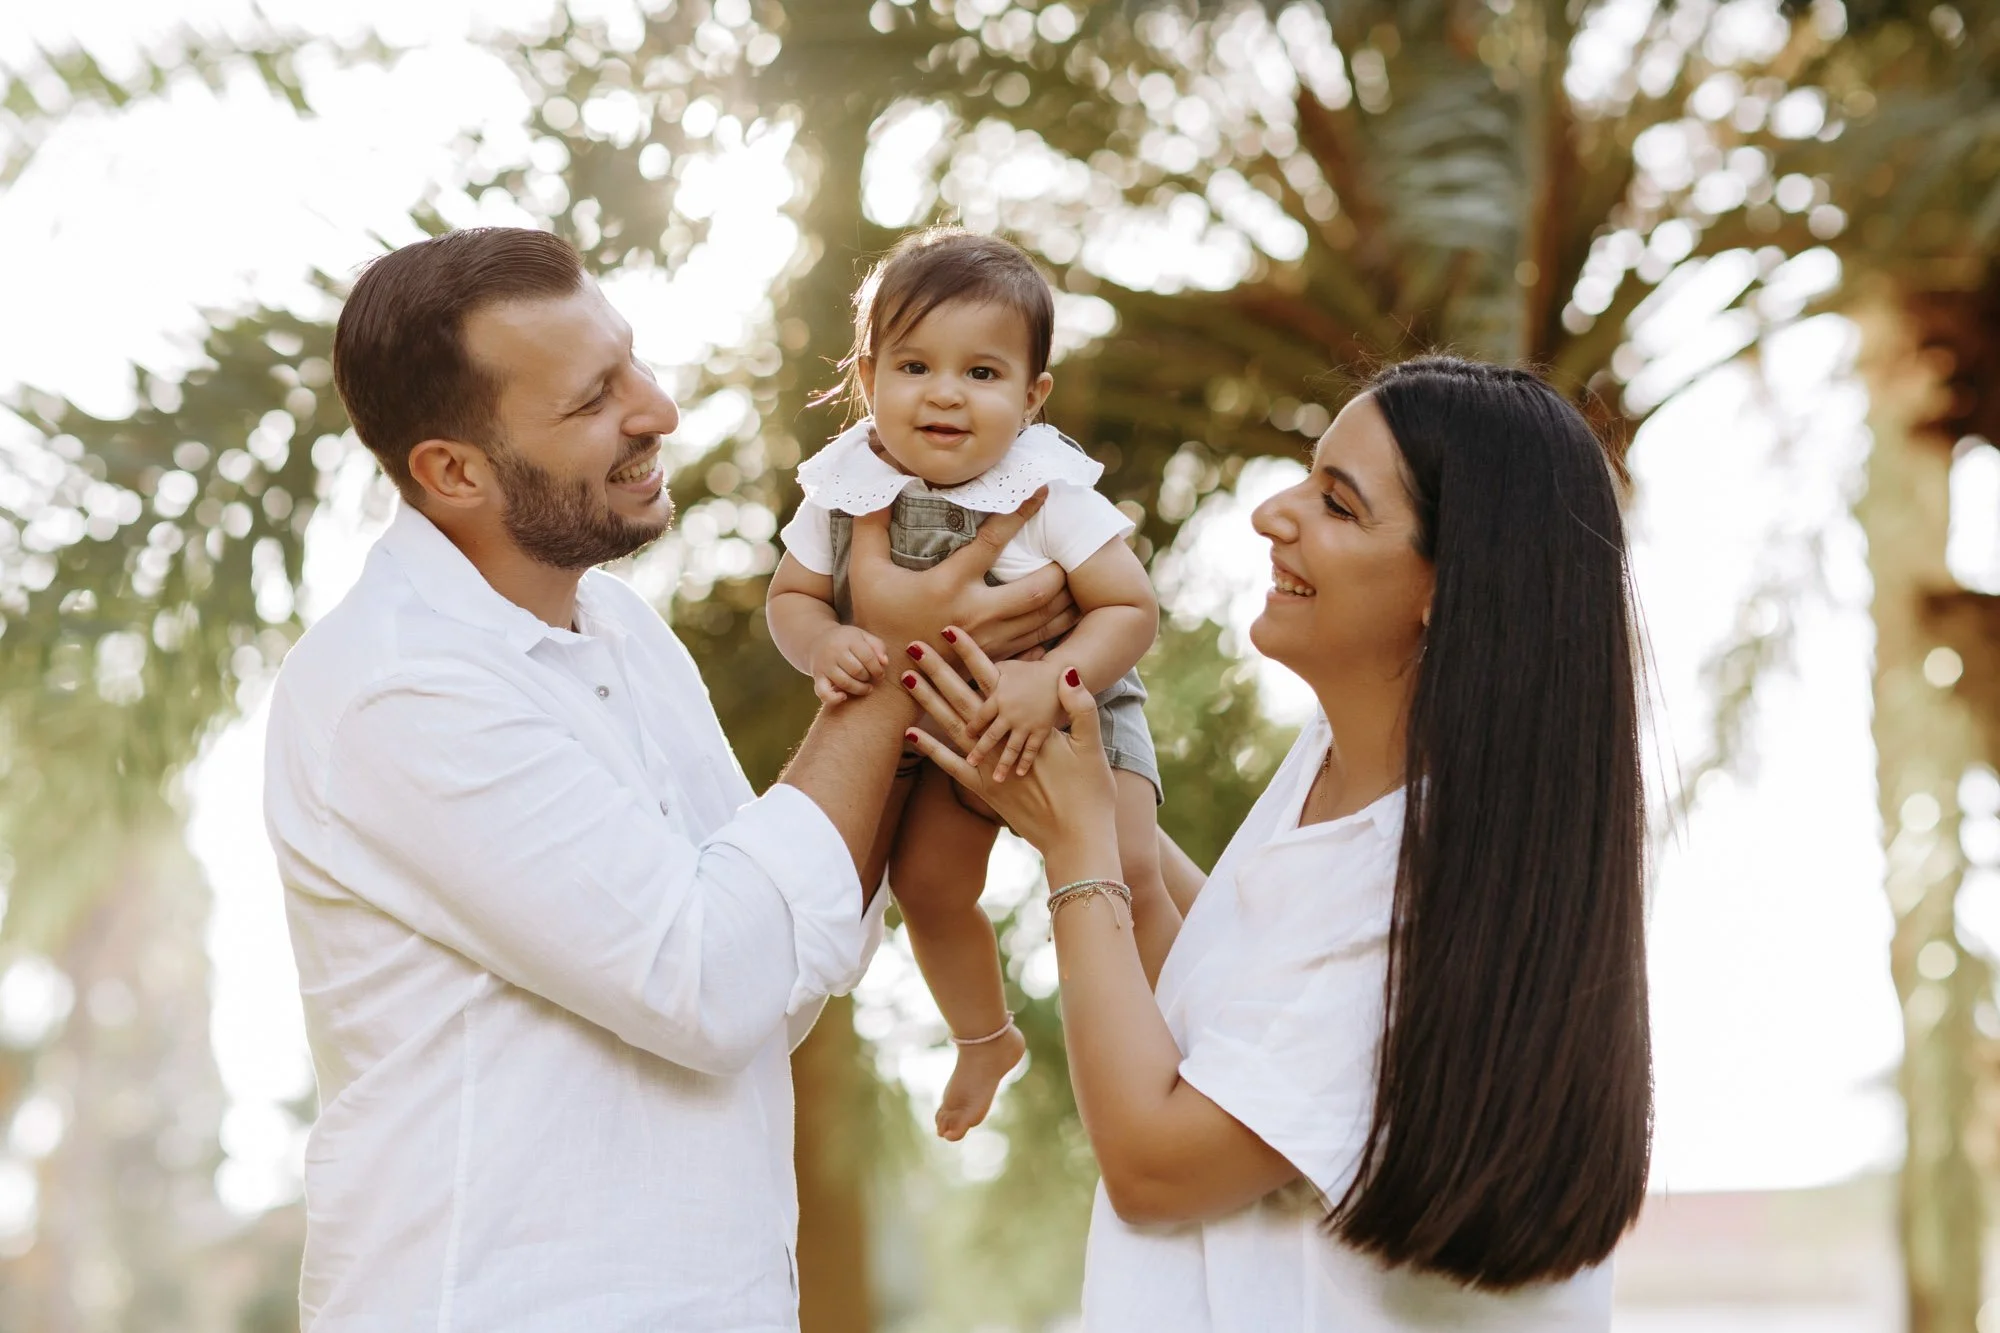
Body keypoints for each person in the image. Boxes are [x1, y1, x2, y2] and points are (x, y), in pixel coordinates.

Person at [261, 226, 1074, 1331]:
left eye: (631, 361)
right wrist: (901, 662)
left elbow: (784, 962)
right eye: (593, 399)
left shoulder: (623, 631)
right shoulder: (399, 691)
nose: (656, 411)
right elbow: (714, 982)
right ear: (453, 472)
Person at [887, 357, 1653, 1330]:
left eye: (1335, 505)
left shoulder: (1423, 897)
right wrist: (1098, 812)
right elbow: (1225, 1010)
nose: (1270, 515)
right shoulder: (1332, 765)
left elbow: (1153, 1166)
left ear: (1448, 587)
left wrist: (1075, 846)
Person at [766, 228, 1165, 1140]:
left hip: (1075, 709)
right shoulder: (843, 488)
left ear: (1033, 396)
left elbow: (1129, 611)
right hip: (950, 729)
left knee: (1130, 868)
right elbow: (789, 597)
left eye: (982, 374)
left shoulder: (1046, 488)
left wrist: (1050, 682)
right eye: (915, 364)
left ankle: (1197, 1026)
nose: (946, 392)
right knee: (930, 883)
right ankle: (983, 1037)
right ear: (868, 378)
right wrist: (823, 643)